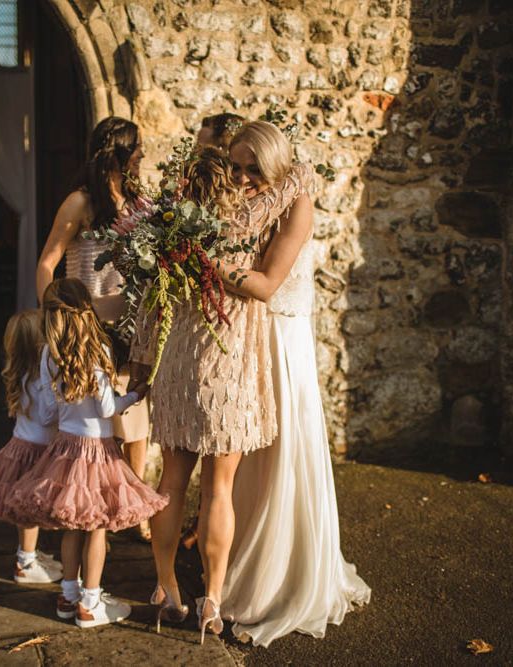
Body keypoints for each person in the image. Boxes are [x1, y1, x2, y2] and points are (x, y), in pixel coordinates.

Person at [129, 146, 311, 642]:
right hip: (223, 362)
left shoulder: (171, 231)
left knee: (170, 480)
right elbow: (286, 192)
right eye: (240, 169)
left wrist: (140, 368)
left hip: (176, 363)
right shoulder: (241, 223)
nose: (246, 179)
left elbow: (150, 303)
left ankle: (166, 588)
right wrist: (296, 170)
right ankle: (212, 599)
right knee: (218, 490)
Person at [216, 120, 371, 647]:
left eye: (251, 169)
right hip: (250, 341)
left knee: (281, 457)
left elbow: (262, 285)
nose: (240, 178)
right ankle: (235, 566)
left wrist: (201, 259)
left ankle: (278, 585)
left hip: (282, 344)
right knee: (247, 463)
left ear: (276, 166)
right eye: (234, 167)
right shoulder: (251, 202)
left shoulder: (297, 204)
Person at [6, 278, 167, 628]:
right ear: (87, 311)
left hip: (65, 449)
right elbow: (109, 407)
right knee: (97, 526)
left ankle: (68, 595)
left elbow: (48, 411)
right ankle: (91, 603)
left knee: (71, 525)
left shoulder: (49, 353)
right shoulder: (99, 350)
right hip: (97, 453)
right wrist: (136, 395)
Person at [36, 117, 152, 541]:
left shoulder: (139, 201)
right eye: (136, 147)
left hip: (133, 324)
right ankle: (91, 504)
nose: (141, 154)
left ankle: (133, 507)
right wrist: (56, 320)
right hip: (89, 327)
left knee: (137, 420)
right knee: (95, 425)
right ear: (117, 152)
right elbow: (48, 262)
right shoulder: (80, 203)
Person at [0, 309, 63, 584]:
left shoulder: (19, 375)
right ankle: (25, 562)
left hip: (21, 446)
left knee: (26, 510)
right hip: (37, 452)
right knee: (28, 510)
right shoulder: (40, 380)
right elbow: (48, 415)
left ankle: (28, 553)